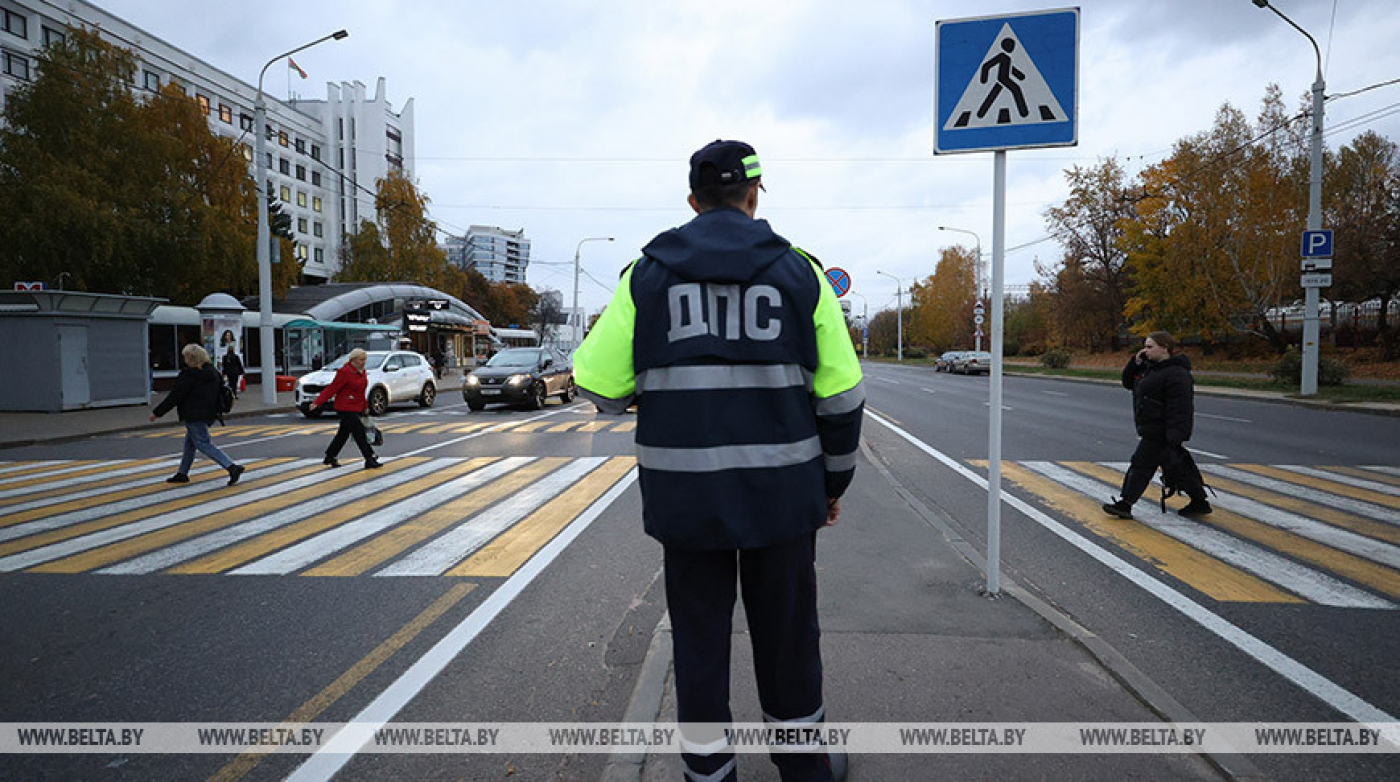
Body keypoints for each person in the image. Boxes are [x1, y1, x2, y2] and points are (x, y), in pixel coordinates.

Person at [573, 139, 863, 782]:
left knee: (699, 640)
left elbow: (596, 384)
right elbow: (842, 398)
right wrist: (831, 485)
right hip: (784, 499)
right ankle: (803, 765)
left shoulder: (645, 276)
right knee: (789, 637)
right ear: (754, 197)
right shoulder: (801, 275)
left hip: (687, 501)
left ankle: (708, 773)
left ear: (692, 200)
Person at [1102, 331, 1212, 520]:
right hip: (1152, 428)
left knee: (1141, 465)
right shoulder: (1150, 368)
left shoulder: (1177, 373)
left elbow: (1181, 407)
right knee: (1177, 467)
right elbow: (1128, 383)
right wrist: (1135, 362)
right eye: (1145, 346)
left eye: (1150, 347)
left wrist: (1175, 434)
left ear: (1164, 348)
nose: (1145, 350)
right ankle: (1200, 501)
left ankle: (1125, 504)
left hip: (1162, 431)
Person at [150, 344, 245, 486]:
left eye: (185, 357)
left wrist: (157, 413)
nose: (184, 359)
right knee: (190, 443)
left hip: (193, 414)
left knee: (202, 443)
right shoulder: (213, 372)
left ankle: (231, 467)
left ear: (191, 358)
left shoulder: (188, 374)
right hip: (210, 413)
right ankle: (182, 473)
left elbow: (175, 396)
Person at [309, 347, 382, 469]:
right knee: (359, 433)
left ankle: (330, 456)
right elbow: (332, 388)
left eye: (364, 360)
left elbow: (361, 391)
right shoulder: (344, 372)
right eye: (360, 360)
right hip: (345, 407)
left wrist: (365, 406)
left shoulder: (362, 372)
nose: (363, 362)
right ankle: (370, 458)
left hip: (356, 407)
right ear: (353, 360)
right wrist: (318, 402)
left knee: (343, 434)